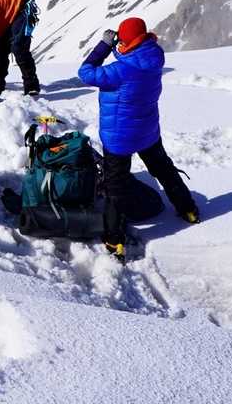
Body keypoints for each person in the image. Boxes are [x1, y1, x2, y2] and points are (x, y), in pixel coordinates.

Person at [78, 16, 201, 258]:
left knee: (116, 187)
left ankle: (114, 239)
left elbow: (85, 72)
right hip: (147, 132)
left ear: (125, 42)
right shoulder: (155, 59)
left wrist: (104, 46)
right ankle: (188, 209)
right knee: (164, 170)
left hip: (119, 138)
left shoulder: (119, 71)